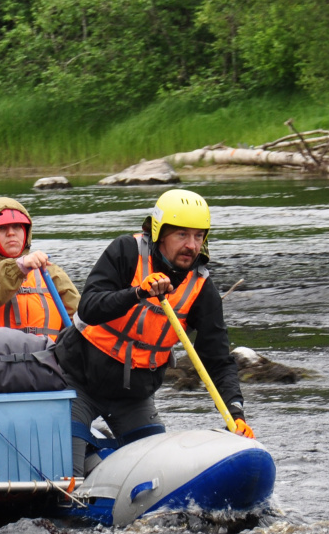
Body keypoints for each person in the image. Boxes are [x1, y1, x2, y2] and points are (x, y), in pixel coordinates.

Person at [53, 189, 253, 476]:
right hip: (79, 382)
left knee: (154, 475)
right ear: (159, 233)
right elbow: (89, 308)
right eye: (182, 235)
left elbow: (218, 361)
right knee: (67, 474)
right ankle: (84, 465)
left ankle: (104, 468)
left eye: (198, 236)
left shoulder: (201, 288)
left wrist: (236, 414)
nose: (191, 245)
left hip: (133, 395)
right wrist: (137, 293)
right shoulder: (125, 252)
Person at [0, 198, 80, 340]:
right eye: (2, 228)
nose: (11, 233)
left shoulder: (50, 272)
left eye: (17, 226)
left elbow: (80, 319)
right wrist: (18, 268)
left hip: (46, 359)